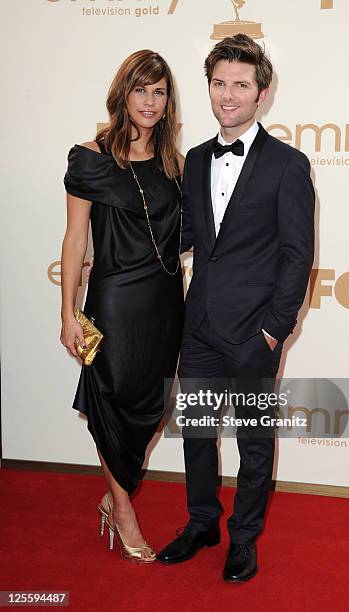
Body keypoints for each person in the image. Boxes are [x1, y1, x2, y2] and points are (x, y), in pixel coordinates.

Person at [157, 34, 315, 581]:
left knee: (252, 441)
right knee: (197, 433)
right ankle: (202, 523)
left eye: (241, 85)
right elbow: (183, 236)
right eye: (219, 83)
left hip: (254, 333)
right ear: (209, 87)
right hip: (197, 326)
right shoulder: (196, 160)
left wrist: (274, 331)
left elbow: (298, 257)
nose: (228, 95)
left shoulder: (288, 165)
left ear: (261, 93)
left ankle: (244, 539)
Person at [60, 50, 184, 563]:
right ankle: (123, 506)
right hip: (112, 300)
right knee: (109, 402)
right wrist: (67, 312)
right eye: (141, 90)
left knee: (150, 408)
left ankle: (115, 495)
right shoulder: (91, 157)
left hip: (163, 302)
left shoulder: (176, 162)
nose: (149, 102)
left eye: (159, 92)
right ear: (123, 94)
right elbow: (73, 239)